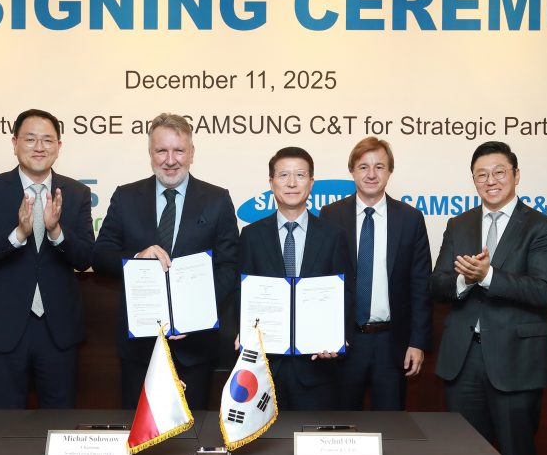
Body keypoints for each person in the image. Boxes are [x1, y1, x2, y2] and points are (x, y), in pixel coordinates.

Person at [431, 140, 547, 455]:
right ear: (473, 180)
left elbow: (541, 290)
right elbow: (437, 285)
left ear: (516, 175)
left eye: (499, 172)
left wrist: (485, 277)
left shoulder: (541, 226)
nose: (491, 180)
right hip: (463, 360)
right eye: (482, 174)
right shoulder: (459, 224)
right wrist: (462, 280)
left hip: (516, 362)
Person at [93, 113, 239, 411]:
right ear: (150, 153)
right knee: (142, 438)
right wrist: (136, 259)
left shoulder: (217, 199)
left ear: (192, 153)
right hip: (140, 346)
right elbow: (101, 256)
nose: (170, 160)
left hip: (195, 346)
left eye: (179, 151)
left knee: (192, 437)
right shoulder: (126, 197)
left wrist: (196, 311)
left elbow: (229, 266)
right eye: (161, 150)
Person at [0, 109, 94, 410]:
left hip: (58, 330)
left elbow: (86, 257)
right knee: (2, 428)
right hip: (3, 329)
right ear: (14, 142)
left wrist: (56, 231)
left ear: (59, 146)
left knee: (59, 425)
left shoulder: (76, 192)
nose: (39, 147)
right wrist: (17, 234)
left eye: (48, 140)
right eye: (30, 139)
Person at [320, 137, 432, 411]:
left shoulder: (410, 218)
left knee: (391, 427)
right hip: (345, 341)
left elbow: (421, 285)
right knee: (341, 427)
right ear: (352, 171)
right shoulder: (330, 216)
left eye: (379, 167)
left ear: (390, 171)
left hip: (391, 343)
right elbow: (322, 280)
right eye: (363, 167)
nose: (371, 174)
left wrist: (417, 342)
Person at [238, 146, 352, 410]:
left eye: (300, 175)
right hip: (264, 368)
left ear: (311, 182)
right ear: (271, 182)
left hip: (316, 367)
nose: (291, 183)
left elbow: (345, 292)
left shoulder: (333, 236)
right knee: (264, 447)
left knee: (311, 442)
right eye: (283, 175)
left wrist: (338, 336)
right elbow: (241, 293)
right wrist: (240, 331)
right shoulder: (251, 236)